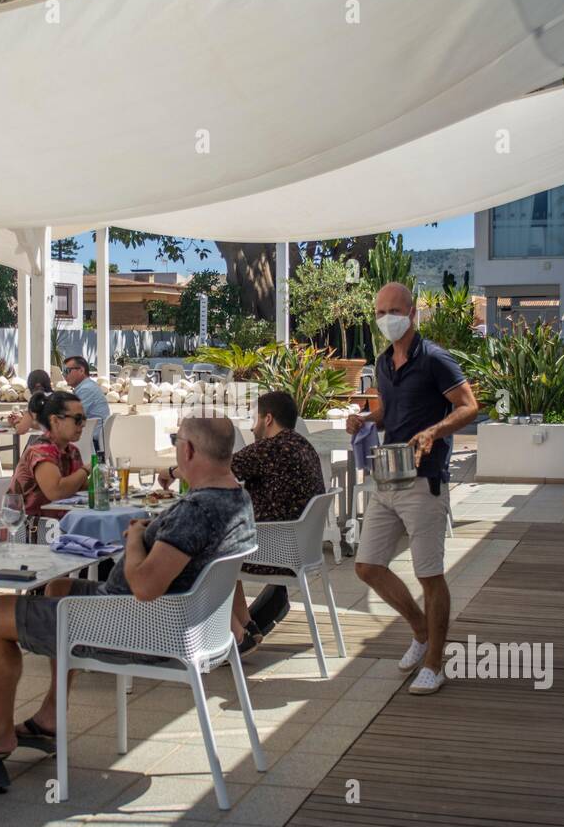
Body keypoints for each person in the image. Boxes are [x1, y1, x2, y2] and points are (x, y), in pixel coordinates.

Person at [0, 416, 254, 763]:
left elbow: (145, 586)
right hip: (186, 624)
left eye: (178, 441)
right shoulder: (238, 500)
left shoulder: (198, 510)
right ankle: (50, 715)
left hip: (139, 627)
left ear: (188, 450)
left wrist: (133, 540)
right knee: (59, 587)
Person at [347, 282, 479, 695]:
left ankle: (435, 663)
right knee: (367, 566)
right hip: (388, 476)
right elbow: (390, 411)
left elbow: (470, 405)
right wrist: (367, 420)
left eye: (394, 310)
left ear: (413, 311)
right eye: (381, 312)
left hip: (425, 477)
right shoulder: (385, 363)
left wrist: (434, 432)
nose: (387, 318)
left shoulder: (436, 359)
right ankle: (421, 631)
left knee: (429, 574)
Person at [159, 391, 323, 654]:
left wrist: (170, 472)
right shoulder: (303, 445)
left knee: (202, 552)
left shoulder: (270, 448)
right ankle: (246, 626)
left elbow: (214, 468)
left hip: (276, 548)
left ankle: (232, 636)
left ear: (268, 419)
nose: (251, 425)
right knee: (223, 542)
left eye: (255, 419)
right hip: (301, 546)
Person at [6, 391, 91, 523]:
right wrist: (86, 470)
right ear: (55, 420)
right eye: (78, 419)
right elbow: (56, 492)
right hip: (31, 528)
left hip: (60, 523)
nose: (83, 425)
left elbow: (81, 487)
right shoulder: (40, 451)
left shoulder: (72, 451)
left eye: (84, 419)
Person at [61, 355, 110, 456]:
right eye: (63, 372)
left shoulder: (86, 389)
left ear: (81, 370)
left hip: (91, 443)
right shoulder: (86, 387)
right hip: (93, 440)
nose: (64, 375)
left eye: (67, 371)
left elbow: (72, 416)